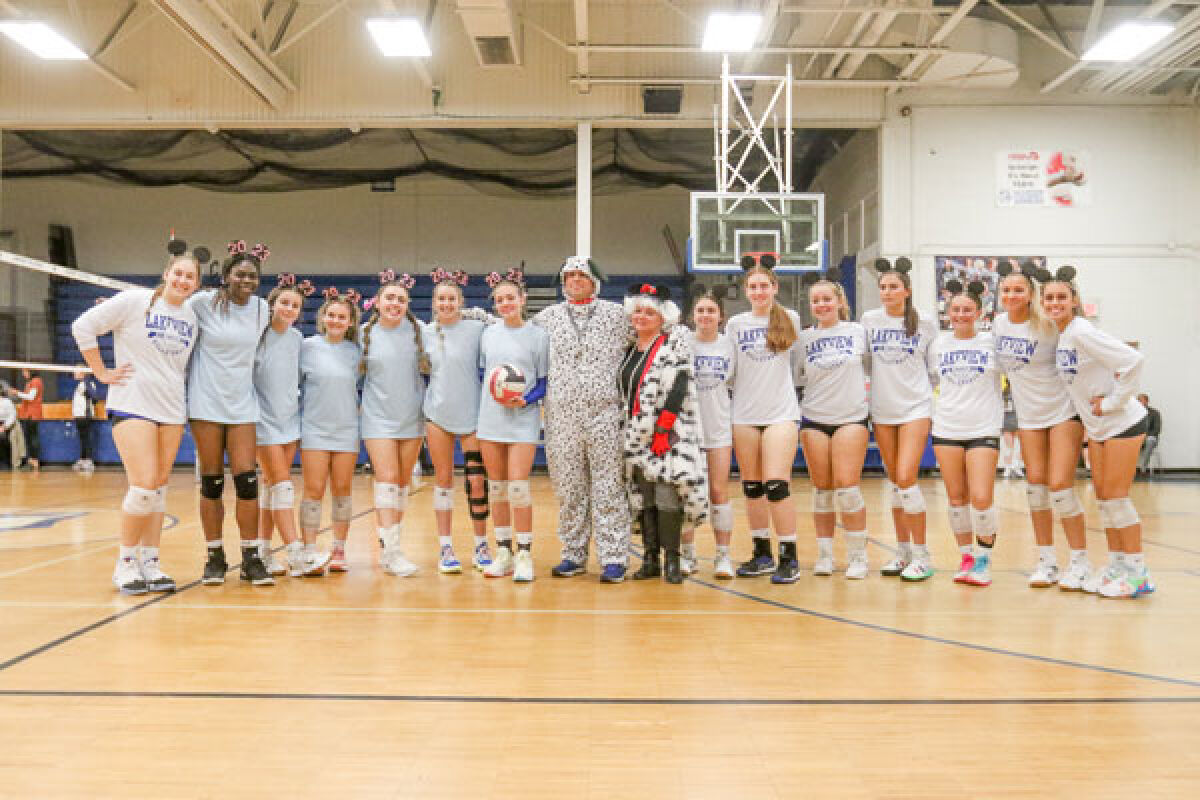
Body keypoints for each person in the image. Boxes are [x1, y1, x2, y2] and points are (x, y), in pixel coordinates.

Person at [71, 237, 203, 594]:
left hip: (172, 409)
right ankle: (125, 563)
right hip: (133, 403)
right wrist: (100, 372)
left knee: (157, 488)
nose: (183, 281)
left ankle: (151, 561)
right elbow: (82, 326)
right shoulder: (134, 301)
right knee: (143, 484)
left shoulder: (192, 315)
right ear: (166, 273)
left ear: (197, 284)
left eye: (190, 277)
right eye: (178, 273)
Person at [1044, 266, 1152, 598]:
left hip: (1123, 422)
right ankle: (1117, 565)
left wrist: (1112, 402)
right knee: (1105, 502)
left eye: (1062, 297)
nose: (1055, 303)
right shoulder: (1063, 335)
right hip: (1100, 429)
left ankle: (1138, 573)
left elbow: (1133, 360)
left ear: (1074, 300)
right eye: (1049, 298)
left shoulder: (1081, 331)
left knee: (1117, 500)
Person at [533, 256, 633, 583]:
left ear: (594, 280)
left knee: (608, 486)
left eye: (581, 275)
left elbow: (654, 331)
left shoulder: (618, 316)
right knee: (569, 487)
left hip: (605, 414)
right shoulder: (547, 318)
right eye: (569, 275)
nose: (575, 280)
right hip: (562, 416)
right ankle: (573, 553)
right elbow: (513, 330)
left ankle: (614, 557)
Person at [993, 261, 1088, 590]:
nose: (1012, 295)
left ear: (1031, 294)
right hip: (1028, 415)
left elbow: (1081, 349)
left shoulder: (1049, 324)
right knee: (1036, 490)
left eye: (1019, 289)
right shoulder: (998, 324)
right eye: (1006, 290)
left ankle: (1079, 562)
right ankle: (1046, 561)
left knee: (1060, 487)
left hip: (1063, 411)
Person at [189, 240, 273, 587]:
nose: (247, 281)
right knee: (211, 482)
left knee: (247, 482)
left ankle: (251, 557)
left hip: (242, 405)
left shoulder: (261, 309)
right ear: (225, 276)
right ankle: (215, 556)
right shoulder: (203, 304)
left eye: (252, 276)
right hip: (206, 403)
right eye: (240, 274)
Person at [620, 284, 707, 584]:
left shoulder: (673, 344)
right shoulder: (629, 348)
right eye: (638, 311)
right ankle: (649, 558)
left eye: (650, 312)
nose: (642, 316)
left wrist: (663, 428)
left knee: (667, 497)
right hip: (634, 436)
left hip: (667, 435)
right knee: (644, 500)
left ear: (662, 318)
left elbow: (680, 386)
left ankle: (673, 558)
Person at [725, 254, 804, 584]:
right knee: (752, 487)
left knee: (776, 484)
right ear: (746, 290)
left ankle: (790, 556)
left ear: (774, 287)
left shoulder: (791, 319)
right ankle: (762, 554)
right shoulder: (735, 325)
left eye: (764, 286)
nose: (758, 291)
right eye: (752, 286)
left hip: (780, 414)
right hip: (744, 413)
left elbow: (798, 366)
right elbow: (729, 372)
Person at [862, 257, 938, 579]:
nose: (887, 292)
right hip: (882, 408)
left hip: (915, 408)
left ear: (906, 290)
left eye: (893, 287)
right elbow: (865, 362)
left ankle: (923, 554)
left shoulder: (926, 324)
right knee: (895, 482)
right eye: (882, 287)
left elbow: (934, 372)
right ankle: (903, 552)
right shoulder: (869, 320)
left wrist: (919, 394)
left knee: (906, 475)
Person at [476, 268, 549, 583]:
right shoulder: (488, 333)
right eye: (500, 299)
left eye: (511, 298)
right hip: (491, 418)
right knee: (497, 487)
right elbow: (484, 373)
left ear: (522, 299)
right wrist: (497, 392)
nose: (505, 303)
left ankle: (524, 554)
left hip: (522, 419)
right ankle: (503, 551)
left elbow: (545, 381)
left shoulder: (538, 336)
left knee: (518, 487)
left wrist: (527, 398)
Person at [929, 280, 1003, 587]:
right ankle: (966, 557)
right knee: (956, 499)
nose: (961, 314)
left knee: (981, 497)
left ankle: (983, 560)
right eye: (955, 309)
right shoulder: (938, 345)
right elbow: (931, 379)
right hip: (947, 426)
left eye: (967, 309)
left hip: (983, 427)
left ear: (979, 313)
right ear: (947, 313)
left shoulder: (992, 343)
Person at [797, 274, 870, 580]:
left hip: (851, 416)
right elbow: (797, 377)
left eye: (827, 299)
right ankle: (825, 555)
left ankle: (858, 557)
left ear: (840, 302)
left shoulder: (858, 331)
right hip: (814, 416)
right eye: (816, 300)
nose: (822, 304)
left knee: (848, 488)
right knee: (822, 490)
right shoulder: (803, 338)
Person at [421, 268, 492, 575]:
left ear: (461, 301)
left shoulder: (476, 328)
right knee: (444, 480)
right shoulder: (424, 332)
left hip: (473, 415)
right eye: (441, 299)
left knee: (477, 481)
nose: (447, 303)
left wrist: (478, 312)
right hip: (437, 415)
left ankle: (481, 544)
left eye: (452, 298)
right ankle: (446, 547)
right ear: (434, 303)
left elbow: (505, 326)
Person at [359, 271, 428, 578]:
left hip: (412, 418)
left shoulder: (420, 333)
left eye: (401, 299)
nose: (395, 304)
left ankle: (391, 545)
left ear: (408, 304)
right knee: (386, 479)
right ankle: (392, 550)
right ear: (377, 302)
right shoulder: (364, 334)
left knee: (401, 483)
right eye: (390, 298)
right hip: (377, 418)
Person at [255, 273, 322, 577]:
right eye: (284, 302)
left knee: (271, 489)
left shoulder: (298, 340)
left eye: (295, 305)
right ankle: (296, 553)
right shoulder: (258, 333)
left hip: (289, 421)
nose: (289, 309)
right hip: (262, 420)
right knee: (282, 486)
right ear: (272, 304)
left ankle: (262, 551)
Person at [299, 288, 362, 572]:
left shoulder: (356, 352)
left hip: (346, 429)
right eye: (331, 315)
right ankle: (309, 549)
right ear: (323, 318)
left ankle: (339, 550)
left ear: (350, 322)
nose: (336, 320)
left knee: (342, 490)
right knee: (313, 490)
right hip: (314, 429)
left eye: (342, 317)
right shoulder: (307, 347)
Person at [683, 289, 736, 579]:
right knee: (687, 491)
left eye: (711, 311)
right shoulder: (683, 344)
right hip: (688, 428)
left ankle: (723, 556)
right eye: (700, 310)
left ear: (721, 316)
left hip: (718, 426)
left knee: (718, 491)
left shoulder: (730, 346)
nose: (705, 315)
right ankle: (688, 555)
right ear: (693, 316)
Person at [8, 368, 43, 471]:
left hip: (33, 414)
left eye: (25, 372)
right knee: (30, 437)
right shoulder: (30, 382)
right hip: (28, 414)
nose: (23, 374)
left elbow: (31, 397)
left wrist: (16, 392)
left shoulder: (36, 381)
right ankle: (32, 459)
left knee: (33, 438)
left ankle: (35, 459)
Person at [71, 367, 100, 472]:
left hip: (85, 416)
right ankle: (82, 459)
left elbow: (95, 398)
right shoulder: (80, 384)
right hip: (79, 416)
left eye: (76, 371)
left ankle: (88, 461)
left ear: (83, 373)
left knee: (86, 438)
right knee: (82, 439)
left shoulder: (87, 383)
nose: (74, 373)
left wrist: (87, 391)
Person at [1137, 393, 1162, 475]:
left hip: (1149, 438)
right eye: (1138, 401)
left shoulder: (1155, 413)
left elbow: (1156, 429)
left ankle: (1143, 469)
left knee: (1150, 440)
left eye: (1141, 400)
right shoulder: (1133, 414)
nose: (1139, 402)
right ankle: (1125, 469)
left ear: (1147, 401)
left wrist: (1145, 436)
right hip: (1137, 439)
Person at [0, 383, 23, 470]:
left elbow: (13, 416)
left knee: (7, 437)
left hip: (8, 424)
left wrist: (4, 426)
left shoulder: (7, 402)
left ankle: (12, 463)